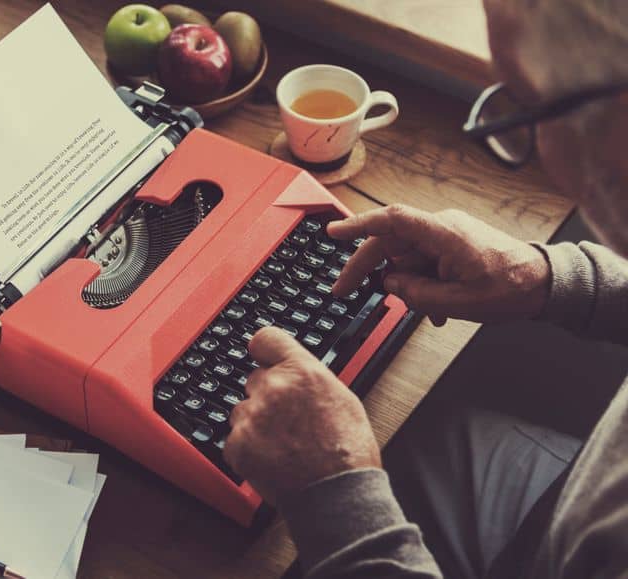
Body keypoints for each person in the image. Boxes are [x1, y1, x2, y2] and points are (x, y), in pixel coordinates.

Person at [223, 0, 628, 577]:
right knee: (438, 436)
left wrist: (335, 498)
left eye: (529, 107)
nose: (547, 158)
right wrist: (551, 277)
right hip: (573, 491)